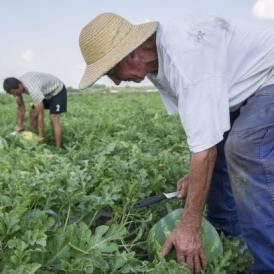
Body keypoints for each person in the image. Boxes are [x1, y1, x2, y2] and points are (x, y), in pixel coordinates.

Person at [78, 13, 274, 273]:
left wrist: (189, 227)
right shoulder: (157, 66)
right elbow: (200, 132)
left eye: (111, 71)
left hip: (268, 75)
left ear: (130, 55)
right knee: (213, 163)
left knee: (244, 148)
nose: (114, 81)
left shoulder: (186, 58)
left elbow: (204, 151)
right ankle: (228, 238)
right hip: (239, 87)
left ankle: (267, 263)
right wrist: (193, 175)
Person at [3, 72, 67, 147]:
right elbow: (21, 108)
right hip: (44, 93)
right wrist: (19, 125)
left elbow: (41, 116)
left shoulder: (33, 89)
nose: (14, 95)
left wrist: (41, 137)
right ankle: (32, 140)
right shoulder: (17, 88)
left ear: (19, 86)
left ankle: (58, 147)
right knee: (32, 113)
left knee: (54, 118)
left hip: (56, 91)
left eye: (15, 93)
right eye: (12, 94)